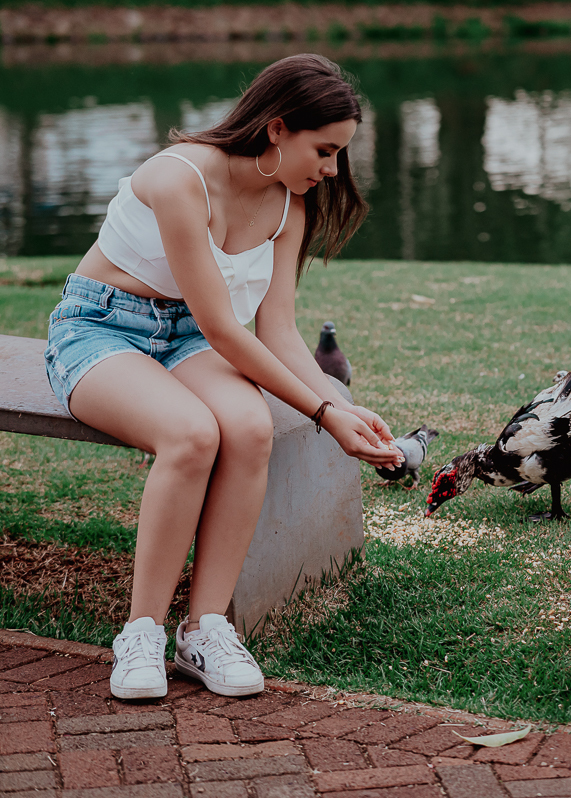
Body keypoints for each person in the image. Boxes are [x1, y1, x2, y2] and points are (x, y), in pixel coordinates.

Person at [43, 54, 405, 700]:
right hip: (101, 329)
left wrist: (337, 404)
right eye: (324, 151)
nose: (330, 171)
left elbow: (278, 332)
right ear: (277, 129)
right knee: (191, 434)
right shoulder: (180, 179)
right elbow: (223, 329)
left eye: (338, 156)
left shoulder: (290, 207)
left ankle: (204, 629)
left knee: (248, 425)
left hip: (183, 335)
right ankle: (141, 631)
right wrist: (326, 417)